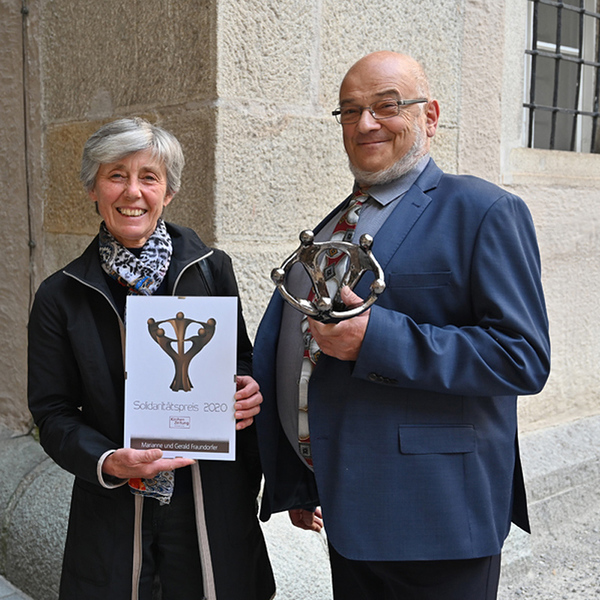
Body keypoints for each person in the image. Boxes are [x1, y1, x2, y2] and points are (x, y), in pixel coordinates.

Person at [253, 51, 551, 600]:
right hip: (347, 512)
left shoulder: (484, 210)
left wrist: (377, 339)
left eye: (386, 106)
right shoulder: (338, 222)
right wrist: (299, 474)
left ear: (430, 116)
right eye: (350, 111)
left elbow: (522, 357)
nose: (366, 123)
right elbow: (301, 347)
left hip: (437, 518)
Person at [28, 118, 275, 600]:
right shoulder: (61, 295)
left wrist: (246, 389)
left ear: (169, 192)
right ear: (93, 188)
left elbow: (239, 360)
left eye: (149, 177)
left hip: (209, 500)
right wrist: (108, 460)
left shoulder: (210, 268)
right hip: (116, 506)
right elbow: (52, 412)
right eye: (116, 174)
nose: (132, 192)